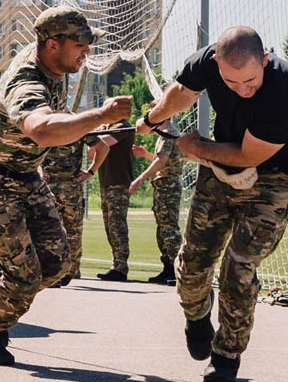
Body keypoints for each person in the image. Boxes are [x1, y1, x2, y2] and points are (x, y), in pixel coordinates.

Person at [0, 6, 133, 365]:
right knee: (24, 276)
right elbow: (40, 129)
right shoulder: (27, 82)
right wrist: (101, 115)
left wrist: (92, 129)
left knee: (57, 264)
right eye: (81, 44)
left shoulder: (57, 64)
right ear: (52, 44)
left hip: (24, 174)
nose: (88, 52)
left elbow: (57, 119)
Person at [136, 26, 288, 382]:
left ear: (264, 60)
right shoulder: (206, 63)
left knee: (238, 266)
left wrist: (196, 147)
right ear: (216, 64)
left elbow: (247, 155)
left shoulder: (284, 90)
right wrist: (152, 119)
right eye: (232, 83)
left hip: (274, 178)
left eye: (250, 81)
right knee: (192, 266)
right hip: (219, 172)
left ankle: (227, 355)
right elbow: (181, 94)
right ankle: (197, 316)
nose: (243, 90)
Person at [41, 122, 109, 286]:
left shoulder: (78, 124)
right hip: (49, 187)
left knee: (73, 231)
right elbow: (30, 150)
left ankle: (70, 271)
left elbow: (103, 148)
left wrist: (91, 171)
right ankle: (52, 271)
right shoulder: (46, 122)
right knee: (48, 230)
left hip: (71, 187)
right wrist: (39, 169)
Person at [129, 120, 184, 285]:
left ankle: (177, 270)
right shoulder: (164, 132)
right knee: (162, 228)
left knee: (169, 228)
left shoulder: (168, 132)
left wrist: (139, 179)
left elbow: (161, 161)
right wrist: (146, 155)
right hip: (163, 183)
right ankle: (168, 268)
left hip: (168, 184)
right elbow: (163, 160)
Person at [95, 121, 135, 282]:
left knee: (117, 225)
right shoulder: (108, 129)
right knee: (109, 226)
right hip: (106, 181)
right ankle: (116, 264)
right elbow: (92, 153)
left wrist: (94, 133)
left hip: (118, 181)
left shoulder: (122, 126)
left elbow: (104, 142)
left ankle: (120, 266)